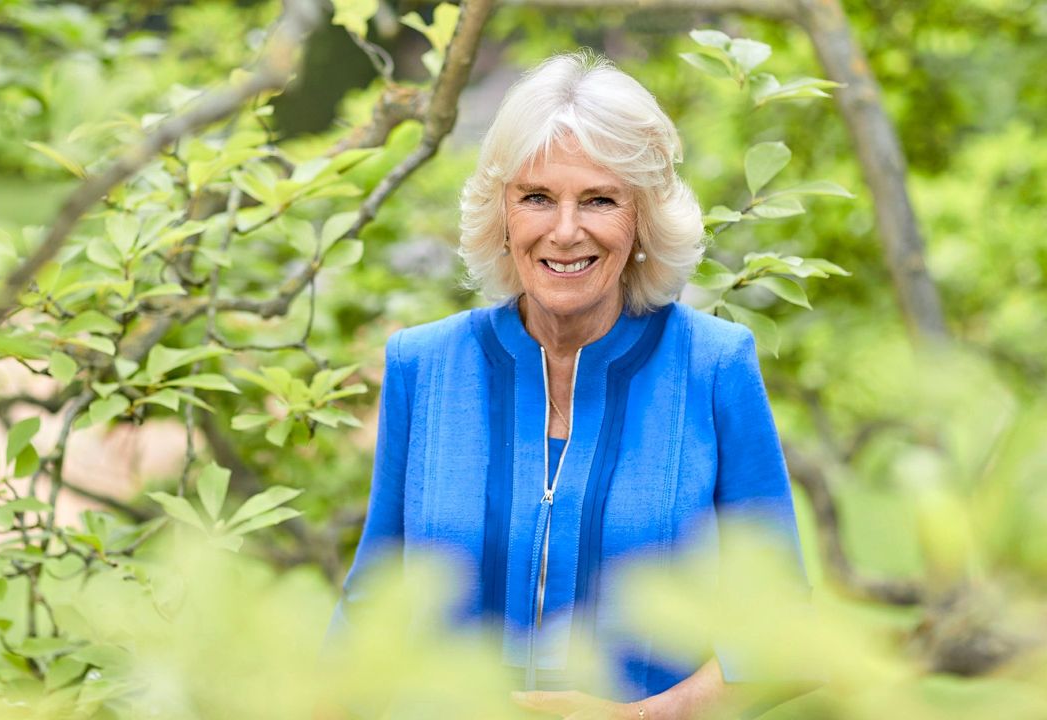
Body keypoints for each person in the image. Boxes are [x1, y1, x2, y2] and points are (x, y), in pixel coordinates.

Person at [326, 50, 810, 719]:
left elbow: (783, 631)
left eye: (599, 199)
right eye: (537, 197)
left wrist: (641, 718)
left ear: (641, 218)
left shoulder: (715, 364)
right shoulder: (423, 366)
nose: (564, 230)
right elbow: (368, 613)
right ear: (503, 215)